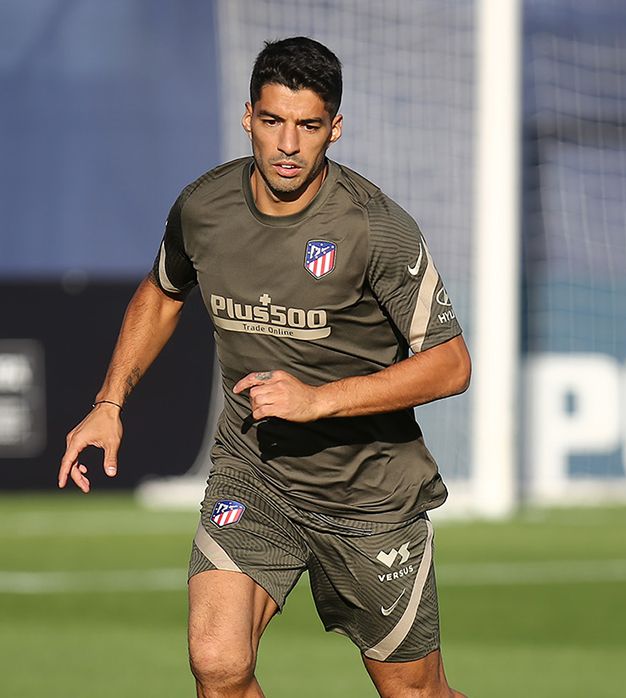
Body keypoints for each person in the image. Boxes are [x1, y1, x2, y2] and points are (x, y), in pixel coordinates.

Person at [57, 36, 470, 698]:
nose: (287, 144)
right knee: (217, 663)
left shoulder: (375, 227)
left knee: (415, 692)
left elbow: (450, 366)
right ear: (248, 116)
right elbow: (163, 292)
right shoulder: (205, 207)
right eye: (273, 121)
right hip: (255, 476)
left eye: (308, 126)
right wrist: (109, 402)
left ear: (334, 128)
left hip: (368, 495)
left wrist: (319, 400)